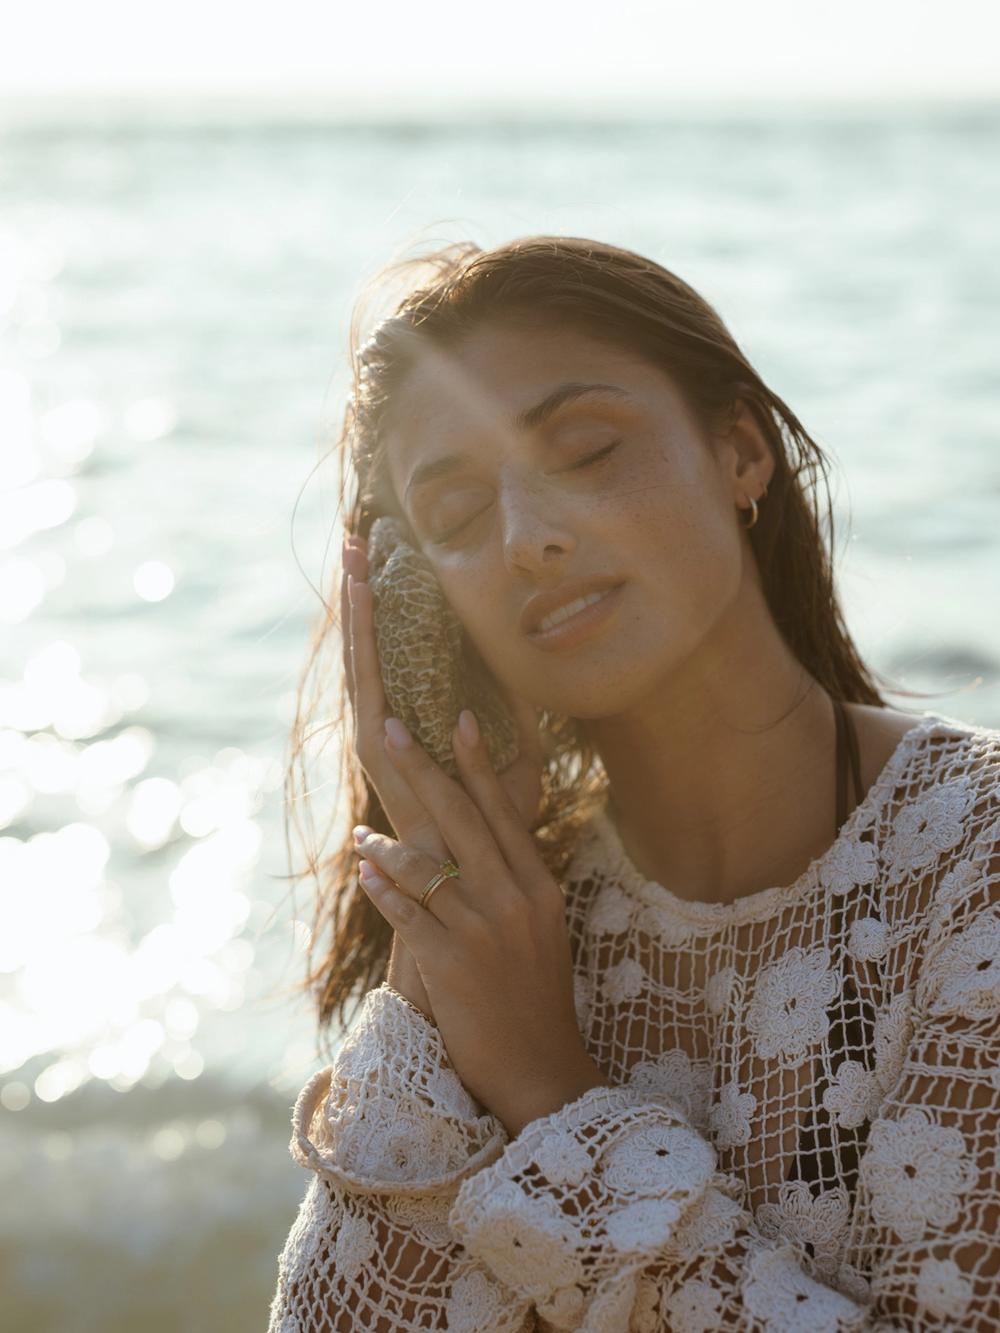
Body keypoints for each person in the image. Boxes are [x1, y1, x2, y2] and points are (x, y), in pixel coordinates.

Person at [267, 236, 1000, 1331]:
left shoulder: (970, 857)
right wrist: (447, 888)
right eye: (458, 517)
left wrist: (548, 1090)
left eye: (587, 448)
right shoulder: (507, 929)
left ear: (740, 451)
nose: (528, 539)